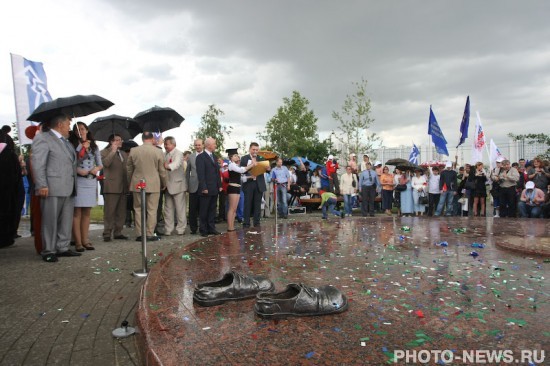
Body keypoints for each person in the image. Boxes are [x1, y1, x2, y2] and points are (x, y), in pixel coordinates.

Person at [31, 114, 81, 262]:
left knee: (66, 220)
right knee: (50, 220)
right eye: (68, 125)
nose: (70, 128)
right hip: (51, 187)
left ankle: (63, 247)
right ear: (60, 125)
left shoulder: (66, 142)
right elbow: (38, 163)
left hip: (68, 187)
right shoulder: (43, 138)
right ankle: (48, 250)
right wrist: (42, 184)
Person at [69, 122, 103, 252]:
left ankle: (85, 240)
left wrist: (96, 169)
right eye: (77, 130)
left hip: (90, 181)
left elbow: (100, 164)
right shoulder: (72, 145)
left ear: (87, 130)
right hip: (79, 180)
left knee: (87, 212)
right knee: (77, 212)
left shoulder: (94, 146)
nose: (80, 132)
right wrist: (81, 148)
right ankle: (77, 242)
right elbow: (72, 162)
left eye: (82, 129)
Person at [126, 131, 167, 241]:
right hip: (153, 183)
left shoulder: (134, 151)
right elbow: (162, 170)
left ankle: (139, 234)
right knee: (152, 210)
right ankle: (149, 233)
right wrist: (164, 183)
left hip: (137, 183)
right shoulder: (158, 151)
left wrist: (130, 181)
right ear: (152, 139)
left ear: (142, 139)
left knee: (138, 209)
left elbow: (129, 169)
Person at [100, 134, 128, 242]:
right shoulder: (104, 152)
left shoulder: (123, 153)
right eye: (117, 140)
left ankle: (118, 231)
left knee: (121, 212)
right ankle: (107, 232)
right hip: (111, 186)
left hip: (123, 186)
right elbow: (106, 163)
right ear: (111, 142)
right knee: (109, 211)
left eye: (120, 140)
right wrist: (112, 151)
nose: (120, 142)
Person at [195, 137, 222, 237]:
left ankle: (211, 228)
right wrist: (204, 187)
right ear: (209, 145)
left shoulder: (214, 156)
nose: (215, 145)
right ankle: (203, 229)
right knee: (204, 209)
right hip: (206, 188)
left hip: (214, 188)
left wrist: (219, 185)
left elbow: (217, 173)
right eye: (214, 144)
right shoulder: (201, 157)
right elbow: (201, 174)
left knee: (212, 209)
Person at [0, 129, 21, 248]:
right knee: (7, 214)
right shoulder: (9, 154)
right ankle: (6, 238)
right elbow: (16, 175)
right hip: (8, 191)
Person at [240, 142, 270, 228]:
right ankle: (246, 223)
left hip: (259, 183)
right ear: (250, 149)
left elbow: (267, 170)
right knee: (247, 204)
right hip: (249, 183)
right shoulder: (244, 158)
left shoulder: (261, 158)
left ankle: (257, 222)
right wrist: (251, 165)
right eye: (253, 149)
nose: (255, 151)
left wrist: (268, 168)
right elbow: (242, 170)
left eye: (257, 150)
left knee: (257, 204)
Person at [225, 148, 255, 231]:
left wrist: (250, 177)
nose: (237, 157)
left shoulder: (235, 165)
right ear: (230, 157)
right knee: (232, 209)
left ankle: (232, 226)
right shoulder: (231, 165)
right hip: (233, 187)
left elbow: (241, 177)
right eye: (235, 156)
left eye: (237, 155)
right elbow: (242, 170)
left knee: (234, 209)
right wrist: (252, 165)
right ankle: (230, 227)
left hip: (237, 187)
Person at [163, 136, 187, 236]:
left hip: (178, 185)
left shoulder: (179, 153)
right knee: (168, 209)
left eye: (167, 144)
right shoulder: (164, 154)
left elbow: (176, 164)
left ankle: (181, 229)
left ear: (173, 144)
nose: (165, 146)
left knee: (180, 209)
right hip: (167, 186)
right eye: (164, 144)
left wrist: (167, 166)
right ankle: (168, 229)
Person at [186, 139, 203, 235]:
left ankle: (202, 227)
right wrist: (187, 184)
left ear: (203, 145)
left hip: (204, 185)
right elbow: (187, 171)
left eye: (199, 145)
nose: (198, 146)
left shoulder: (206, 156)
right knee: (192, 209)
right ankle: (193, 228)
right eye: (196, 145)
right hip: (193, 185)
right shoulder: (191, 156)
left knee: (203, 208)